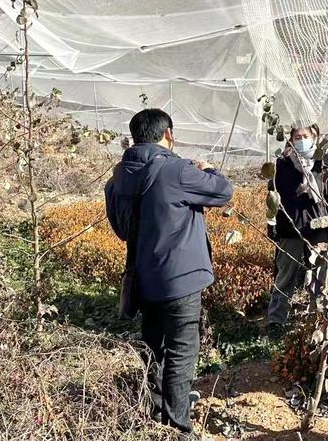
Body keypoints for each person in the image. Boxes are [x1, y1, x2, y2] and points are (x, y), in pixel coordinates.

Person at [105, 108, 233, 434]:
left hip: (143, 281)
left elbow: (123, 229)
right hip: (180, 281)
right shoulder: (176, 170)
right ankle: (178, 429)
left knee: (153, 348)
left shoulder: (118, 177)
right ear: (169, 135)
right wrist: (209, 168)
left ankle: (154, 415)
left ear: (135, 137)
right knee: (181, 353)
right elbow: (222, 191)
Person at [267, 125, 328, 338]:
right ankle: (276, 320)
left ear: (314, 138)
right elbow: (275, 196)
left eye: (305, 136)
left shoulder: (323, 161)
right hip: (292, 228)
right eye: (297, 136)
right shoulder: (282, 164)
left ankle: (317, 316)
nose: (301, 140)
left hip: (319, 226)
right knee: (285, 275)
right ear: (290, 139)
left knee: (319, 274)